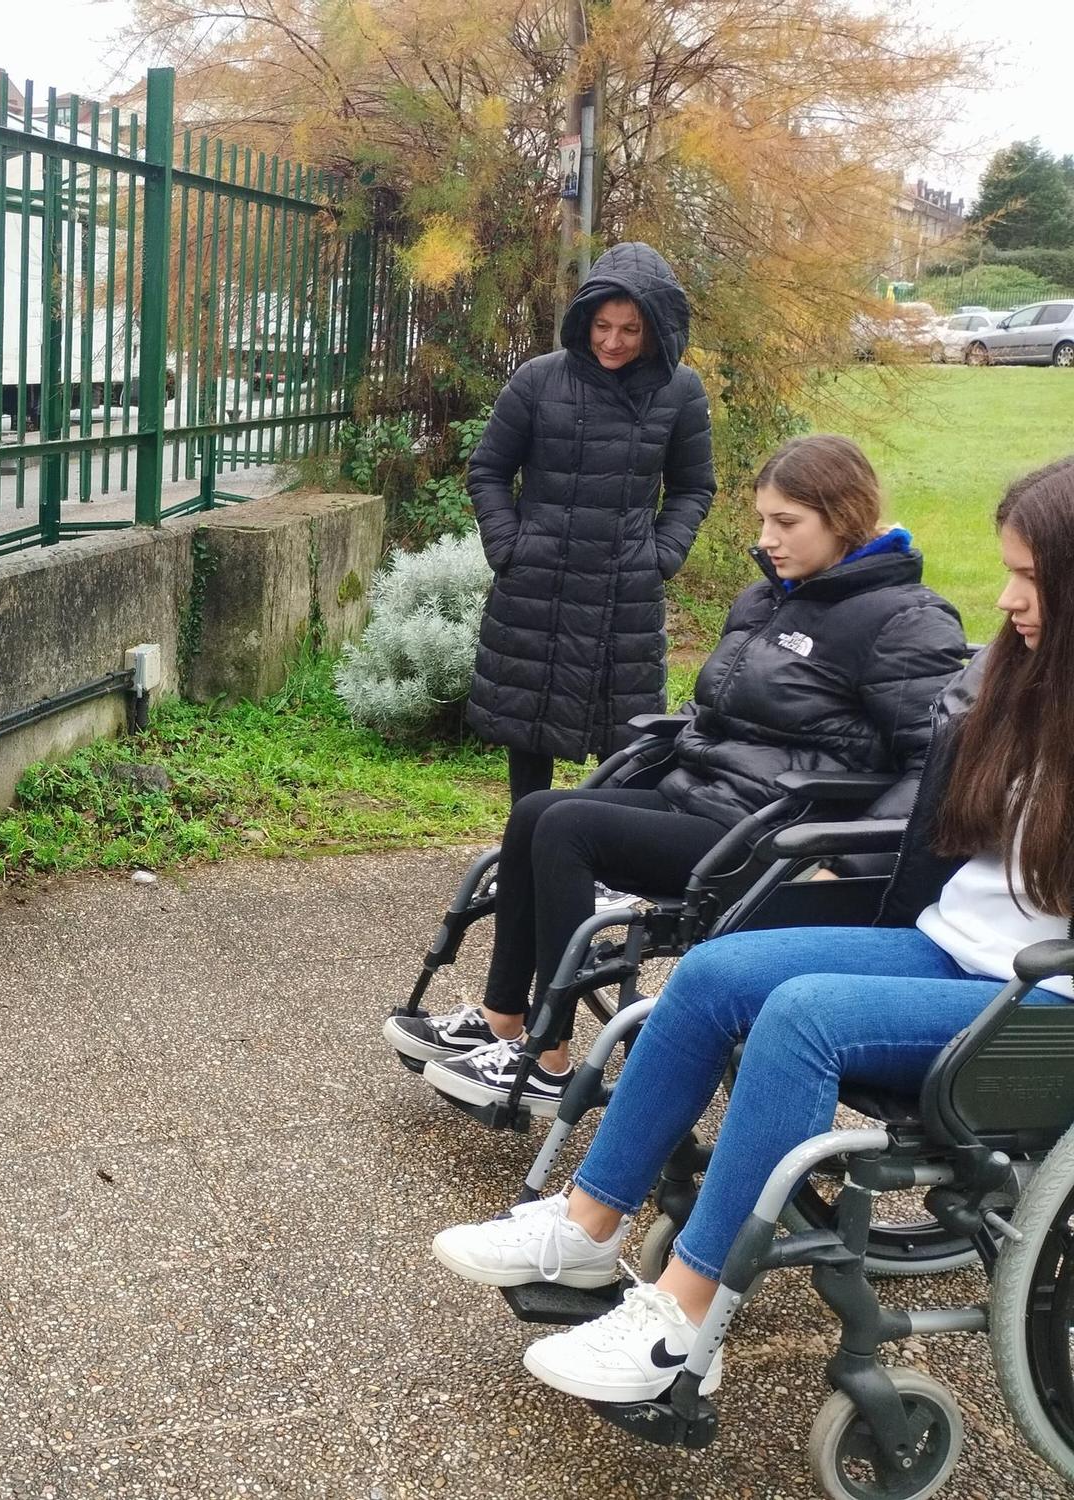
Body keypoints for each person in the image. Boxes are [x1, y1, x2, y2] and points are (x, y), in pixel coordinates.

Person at [428, 455, 1074, 1407]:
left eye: (1031, 578)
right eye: (1009, 572)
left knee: (803, 1015)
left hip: (1040, 998)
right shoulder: (1026, 674)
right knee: (715, 973)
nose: (1009, 599)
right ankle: (584, 1226)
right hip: (950, 947)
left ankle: (688, 1323)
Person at [386, 435, 966, 1113]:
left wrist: (845, 859)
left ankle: (546, 1061)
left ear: (844, 517)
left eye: (786, 523)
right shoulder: (767, 598)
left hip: (773, 837)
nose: (767, 538)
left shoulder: (905, 621)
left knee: (567, 827)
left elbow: (936, 760)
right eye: (762, 520)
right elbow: (716, 706)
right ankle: (502, 1018)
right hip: (706, 799)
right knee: (537, 810)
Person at [466, 243, 717, 807]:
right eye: (602, 325)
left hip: (624, 594)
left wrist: (661, 555)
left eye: (630, 329)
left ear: (654, 329)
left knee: (624, 742)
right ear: (585, 320)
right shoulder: (537, 381)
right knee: (528, 736)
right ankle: (522, 855)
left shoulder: (680, 392)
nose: (612, 341)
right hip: (536, 587)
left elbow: (693, 487)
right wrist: (509, 546)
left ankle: (603, 862)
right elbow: (488, 470)